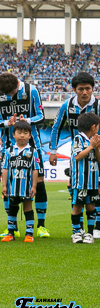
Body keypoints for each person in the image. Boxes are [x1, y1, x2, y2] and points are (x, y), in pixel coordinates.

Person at [49, 72, 100, 239]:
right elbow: (56, 128)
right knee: (77, 192)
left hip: (98, 155)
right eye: (81, 89)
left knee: (99, 190)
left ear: (93, 89)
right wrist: (52, 151)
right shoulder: (66, 106)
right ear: (74, 90)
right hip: (78, 157)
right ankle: (78, 229)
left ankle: (97, 229)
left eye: (88, 89)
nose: (85, 92)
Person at [0, 73, 48, 238]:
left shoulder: (31, 90)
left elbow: (41, 116)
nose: (10, 97)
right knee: (9, 184)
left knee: (39, 182)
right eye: (7, 95)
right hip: (8, 147)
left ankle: (41, 226)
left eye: (13, 93)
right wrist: (8, 123)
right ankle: (12, 227)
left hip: (33, 144)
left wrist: (25, 121)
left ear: (18, 85)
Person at [1, 121, 40, 242]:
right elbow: (6, 168)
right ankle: (11, 232)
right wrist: (4, 186)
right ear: (14, 135)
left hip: (26, 187)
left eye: (25, 133)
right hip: (13, 187)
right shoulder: (9, 151)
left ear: (29, 135)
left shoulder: (33, 151)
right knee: (12, 208)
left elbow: (35, 169)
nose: (22, 135)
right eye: (19, 133)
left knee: (28, 208)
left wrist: (34, 186)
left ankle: (29, 233)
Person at [70, 113, 100, 244]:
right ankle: (76, 233)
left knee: (91, 206)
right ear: (93, 127)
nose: (98, 129)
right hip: (81, 182)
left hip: (92, 182)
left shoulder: (93, 140)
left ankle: (89, 234)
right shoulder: (78, 139)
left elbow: (98, 159)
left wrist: (96, 147)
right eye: (98, 127)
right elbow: (77, 156)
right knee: (77, 207)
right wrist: (91, 146)